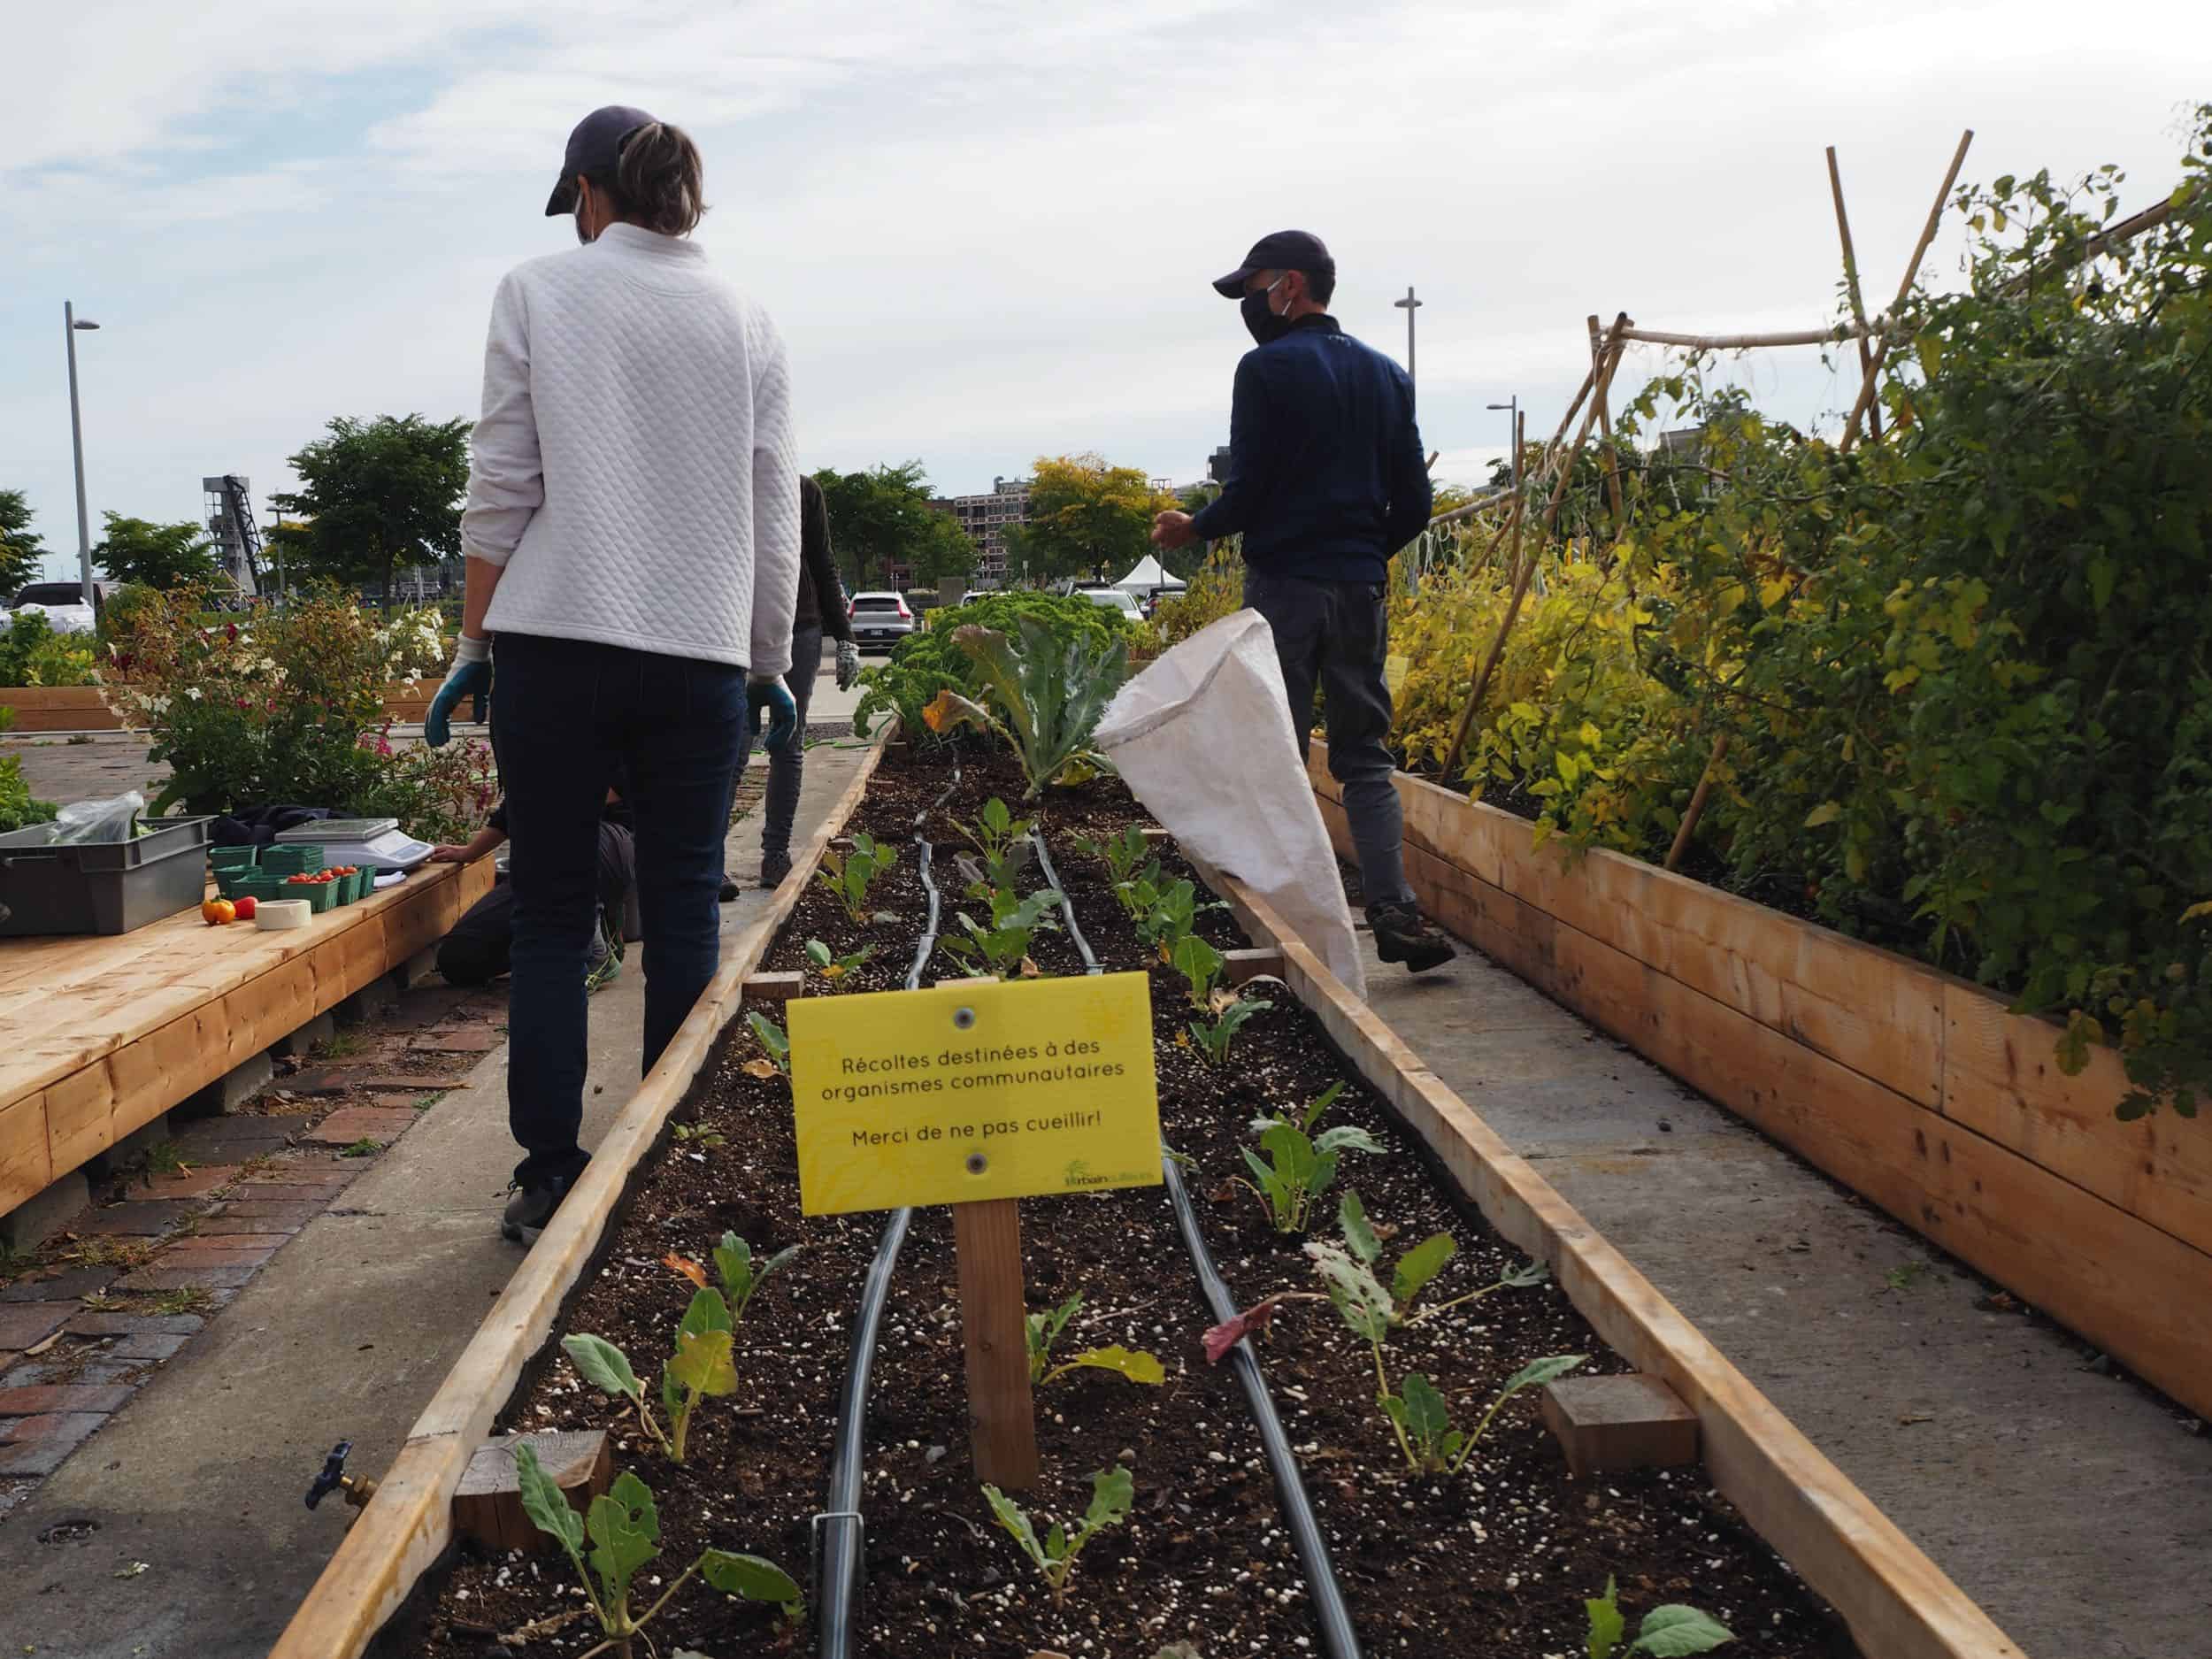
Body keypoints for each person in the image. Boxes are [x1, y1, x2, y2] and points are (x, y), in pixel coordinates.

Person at [423, 106, 802, 1243]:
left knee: (548, 910)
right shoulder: (746, 315)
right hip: (696, 657)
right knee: (687, 903)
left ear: (588, 192)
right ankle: (669, 1165)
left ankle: (548, 1175)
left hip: (554, 644)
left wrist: (474, 647)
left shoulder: (539, 288)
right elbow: (770, 503)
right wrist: (767, 661)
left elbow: (502, 482)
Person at [1151, 229, 1454, 974]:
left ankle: (1286, 914)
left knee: (1278, 750)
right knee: (1364, 755)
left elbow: (1248, 489)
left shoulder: (1264, 371)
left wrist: (1196, 527)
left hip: (1284, 586)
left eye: (1252, 289)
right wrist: (1358, 555)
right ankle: (1394, 910)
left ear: (1289, 286)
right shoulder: (1387, 376)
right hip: (1358, 588)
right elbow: (1414, 501)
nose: (1249, 306)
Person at [719, 472, 860, 900]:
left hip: (800, 628)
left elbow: (822, 560)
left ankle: (775, 855)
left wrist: (846, 636)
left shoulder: (802, 490)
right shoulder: (723, 479)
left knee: (787, 744)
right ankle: (712, 862)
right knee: (732, 748)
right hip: (735, 630)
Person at [428, 786, 637, 995]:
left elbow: (594, 792)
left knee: (565, 827)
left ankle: (595, 950)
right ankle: (556, 945)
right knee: (458, 959)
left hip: (609, 841)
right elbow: (513, 806)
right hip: (542, 866)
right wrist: (469, 852)